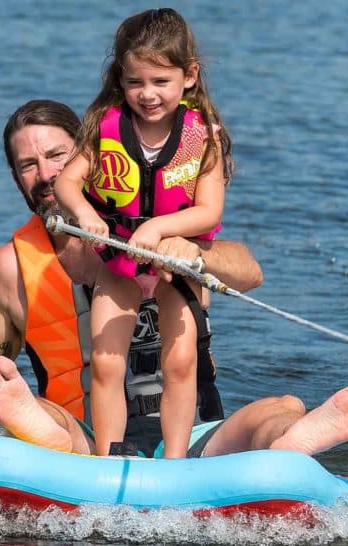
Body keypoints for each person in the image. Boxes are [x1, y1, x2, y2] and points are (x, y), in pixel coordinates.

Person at [0, 98, 348, 460]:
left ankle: (289, 443)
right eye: (27, 165)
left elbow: (250, 272)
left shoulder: (162, 225)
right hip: (85, 441)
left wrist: (195, 253)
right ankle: (52, 438)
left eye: (56, 156)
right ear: (15, 177)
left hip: (197, 437)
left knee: (283, 407)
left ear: (90, 157)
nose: (45, 175)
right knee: (33, 412)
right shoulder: (10, 271)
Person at [54, 8, 231, 458]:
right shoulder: (105, 129)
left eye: (160, 82)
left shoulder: (201, 139)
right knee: (108, 362)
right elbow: (67, 182)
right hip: (118, 262)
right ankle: (108, 456)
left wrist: (158, 227)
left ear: (189, 77)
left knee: (180, 361)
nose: (147, 94)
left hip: (174, 265)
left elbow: (208, 213)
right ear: (120, 79)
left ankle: (173, 462)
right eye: (136, 83)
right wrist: (82, 213)